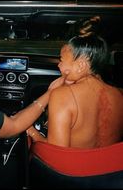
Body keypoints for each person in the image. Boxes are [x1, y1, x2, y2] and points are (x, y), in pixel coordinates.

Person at [27, 20, 123, 148]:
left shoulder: (62, 95)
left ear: (81, 66)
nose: (58, 64)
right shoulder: (119, 95)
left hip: (71, 167)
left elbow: (56, 154)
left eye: (61, 59)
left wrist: (31, 131)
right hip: (111, 167)